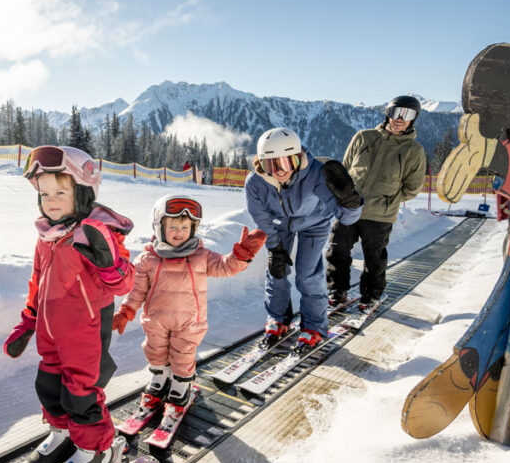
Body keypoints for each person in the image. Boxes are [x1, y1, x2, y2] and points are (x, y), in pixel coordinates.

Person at [2, 145, 135, 463]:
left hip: (85, 332)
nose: (51, 200)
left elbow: (123, 283)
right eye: (45, 194)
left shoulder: (96, 232)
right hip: (50, 333)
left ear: (82, 191)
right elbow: (38, 282)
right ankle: (64, 437)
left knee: (81, 395)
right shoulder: (47, 235)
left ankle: (99, 453)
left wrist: (108, 260)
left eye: (60, 192)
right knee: (49, 387)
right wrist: (27, 322)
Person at [112, 194, 266, 419]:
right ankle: (159, 379)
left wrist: (241, 255)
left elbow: (225, 267)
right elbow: (137, 291)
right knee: (154, 351)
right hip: (155, 320)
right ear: (159, 226)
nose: (179, 231)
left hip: (189, 322)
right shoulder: (147, 259)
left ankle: (180, 388)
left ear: (194, 229)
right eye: (173, 226)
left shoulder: (201, 256)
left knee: (183, 355)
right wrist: (126, 311)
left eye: (185, 227)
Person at [245, 127, 363, 353]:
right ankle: (278, 319)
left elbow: (346, 219)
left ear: (298, 159)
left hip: (314, 222)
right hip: (279, 225)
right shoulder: (256, 182)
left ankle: (315, 327)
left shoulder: (317, 173)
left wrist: (350, 201)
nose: (279, 171)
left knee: (307, 274)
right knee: (276, 271)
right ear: (261, 164)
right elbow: (261, 216)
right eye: (272, 164)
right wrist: (274, 248)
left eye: (286, 163)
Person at [326, 95, 428, 311]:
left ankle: (371, 295)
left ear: (413, 119)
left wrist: (388, 200)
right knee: (337, 250)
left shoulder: (414, 151)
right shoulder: (363, 137)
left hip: (380, 214)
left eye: (406, 114)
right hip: (350, 207)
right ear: (387, 113)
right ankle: (337, 291)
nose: (399, 118)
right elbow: (345, 169)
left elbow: (412, 187)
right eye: (395, 112)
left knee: (374, 258)